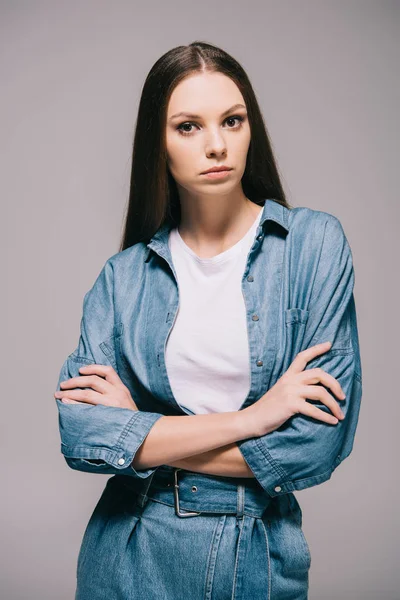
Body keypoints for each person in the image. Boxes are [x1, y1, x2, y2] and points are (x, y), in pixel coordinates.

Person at [54, 41, 362, 600]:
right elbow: (82, 436)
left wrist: (143, 435)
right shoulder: (123, 277)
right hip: (127, 548)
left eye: (232, 120)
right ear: (160, 143)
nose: (217, 144)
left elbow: (317, 443)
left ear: (252, 129)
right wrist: (256, 418)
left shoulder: (313, 246)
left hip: (255, 552)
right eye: (188, 127)